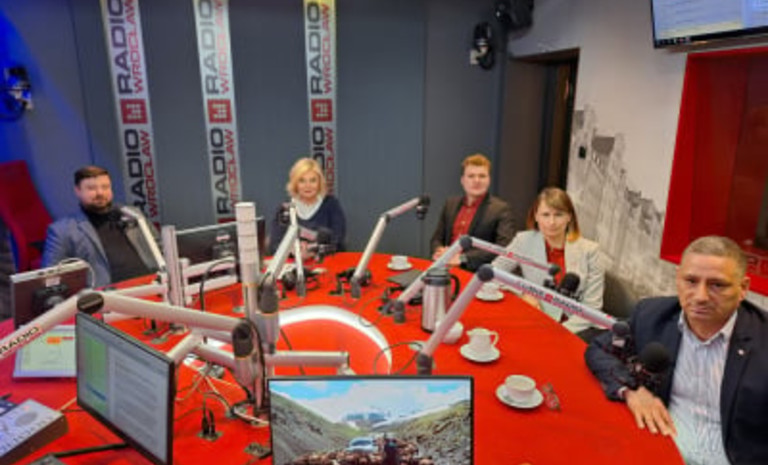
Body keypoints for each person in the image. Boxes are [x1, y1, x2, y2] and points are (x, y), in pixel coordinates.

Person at [585, 236, 768, 465]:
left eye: (717, 285)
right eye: (691, 281)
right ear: (678, 278)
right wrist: (632, 391)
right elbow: (599, 349)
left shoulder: (762, 337)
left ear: (743, 289)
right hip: (661, 450)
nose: (700, 296)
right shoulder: (652, 315)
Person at [492, 187, 604, 336]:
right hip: (536, 320)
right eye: (545, 215)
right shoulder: (523, 240)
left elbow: (593, 307)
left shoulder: (591, 250)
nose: (552, 222)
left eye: (559, 215)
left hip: (576, 328)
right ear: (536, 216)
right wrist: (522, 293)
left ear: (569, 217)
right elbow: (492, 273)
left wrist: (559, 331)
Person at [41, 166, 159, 288]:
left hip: (152, 285)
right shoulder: (62, 231)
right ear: (77, 191)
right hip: (108, 295)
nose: (100, 193)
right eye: (91, 188)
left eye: (105, 187)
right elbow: (50, 277)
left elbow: (159, 248)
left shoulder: (133, 214)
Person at [430, 153, 515, 271]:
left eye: (482, 176)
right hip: (444, 268)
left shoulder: (501, 209)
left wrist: (462, 258)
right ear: (462, 180)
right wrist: (439, 251)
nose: (477, 180)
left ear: (489, 180)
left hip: (476, 273)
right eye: (471, 176)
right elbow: (436, 238)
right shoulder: (450, 204)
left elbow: (503, 247)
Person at [269, 158, 346, 256]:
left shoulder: (331, 204)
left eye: (313, 180)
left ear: (319, 183)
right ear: (295, 184)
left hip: (325, 260)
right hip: (294, 262)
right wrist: (294, 252)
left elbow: (337, 241)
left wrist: (311, 251)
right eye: (302, 181)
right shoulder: (285, 209)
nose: (308, 186)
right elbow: (275, 246)